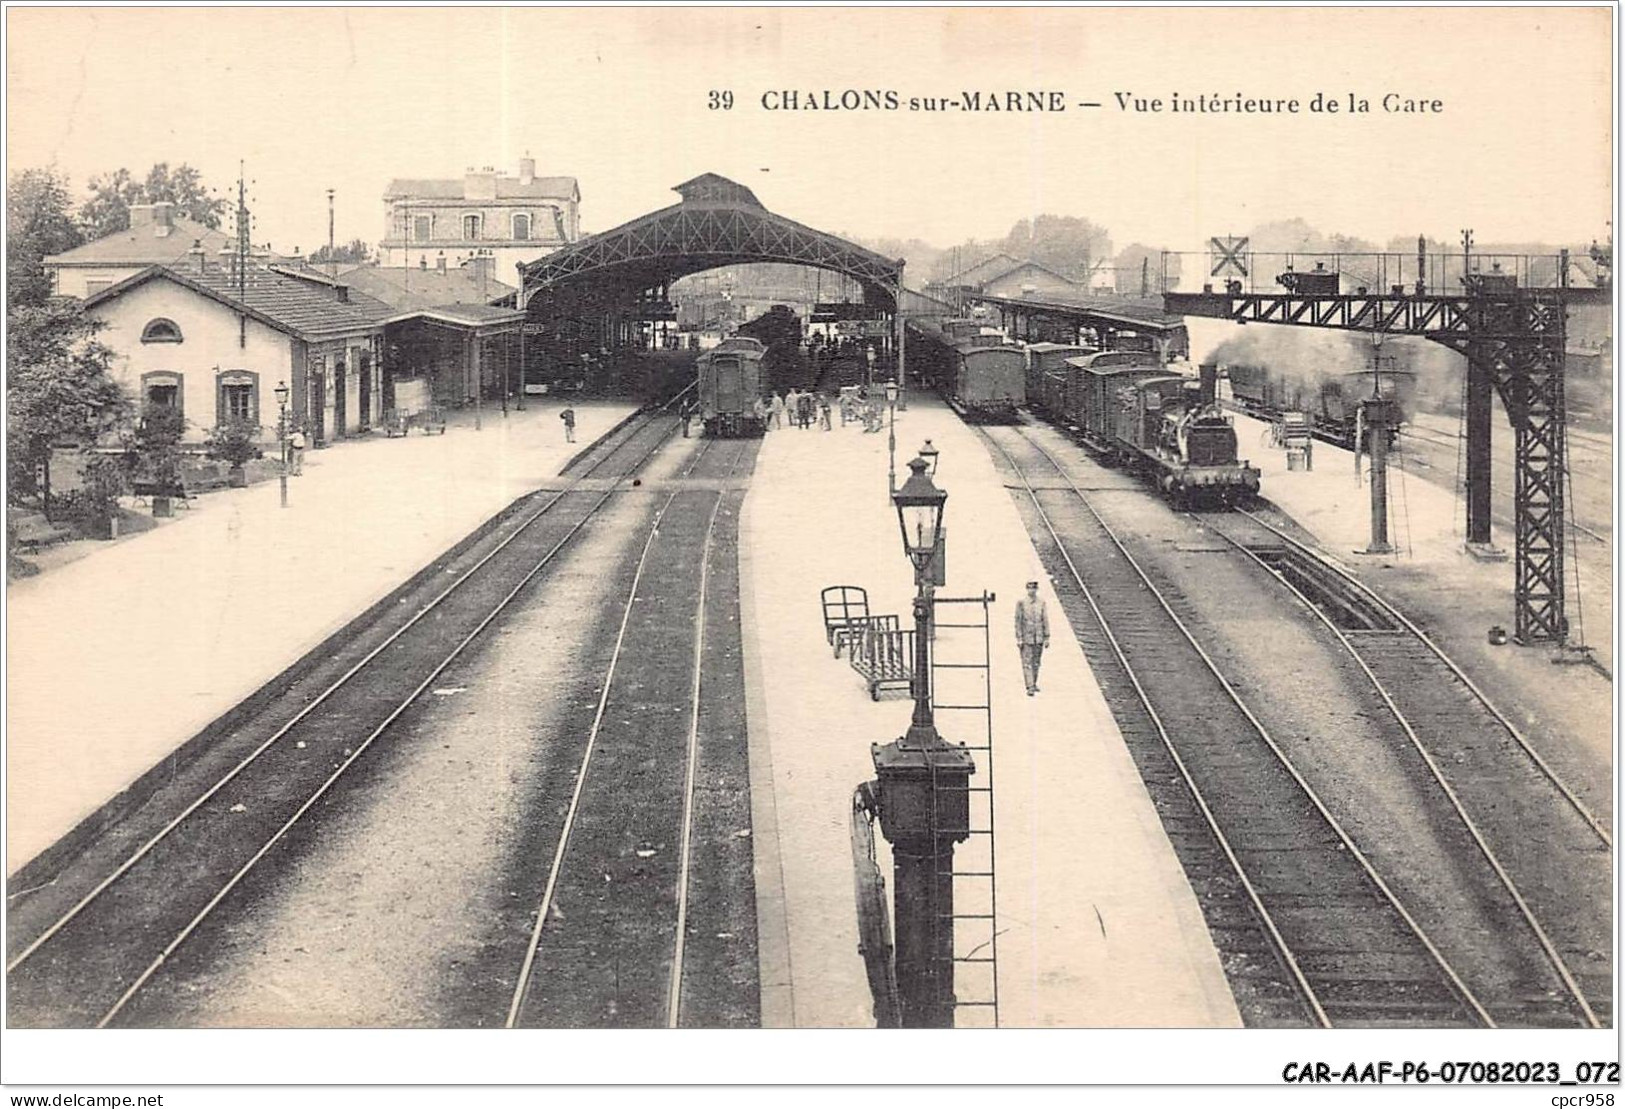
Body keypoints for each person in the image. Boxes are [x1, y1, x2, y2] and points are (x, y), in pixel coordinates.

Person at [1014, 580, 1051, 695]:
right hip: (1026, 638)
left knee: (1036, 662)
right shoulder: (1021, 603)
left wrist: (1047, 637)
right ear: (1027, 589)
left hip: (1038, 638)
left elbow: (1045, 619)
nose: (1032, 591)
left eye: (1034, 589)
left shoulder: (1042, 603)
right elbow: (1018, 621)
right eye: (1030, 588)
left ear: (1037, 589)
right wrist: (1019, 638)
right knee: (1027, 663)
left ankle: (1033, 683)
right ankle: (1029, 686)